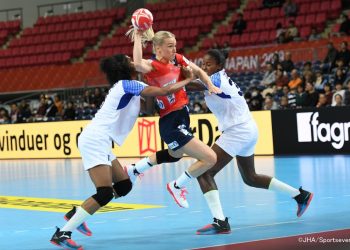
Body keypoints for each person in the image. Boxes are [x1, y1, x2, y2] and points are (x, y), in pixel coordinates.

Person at [127, 49, 314, 235]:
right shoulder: (216, 78)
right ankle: (300, 195)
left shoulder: (216, 79)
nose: (204, 67)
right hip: (247, 129)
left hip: (238, 131)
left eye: (209, 64)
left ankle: (218, 220)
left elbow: (186, 85)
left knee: (204, 172)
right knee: (251, 177)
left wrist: (160, 71)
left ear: (219, 66)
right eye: (203, 64)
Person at [49, 54, 194, 249]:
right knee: (105, 193)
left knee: (124, 185)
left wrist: (151, 80)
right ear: (124, 67)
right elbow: (163, 90)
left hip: (102, 141)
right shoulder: (126, 85)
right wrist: (188, 79)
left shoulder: (132, 87)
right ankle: (62, 233)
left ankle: (77, 212)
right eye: (129, 59)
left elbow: (149, 109)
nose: (133, 60)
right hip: (95, 139)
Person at [126, 29, 221, 209]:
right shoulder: (152, 66)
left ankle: (134, 169)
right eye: (170, 46)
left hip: (182, 116)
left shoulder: (177, 59)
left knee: (174, 155)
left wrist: (210, 85)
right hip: (171, 121)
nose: (174, 49)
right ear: (158, 49)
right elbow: (137, 63)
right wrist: (138, 36)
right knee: (210, 158)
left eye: (175, 46)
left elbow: (199, 71)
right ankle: (177, 186)